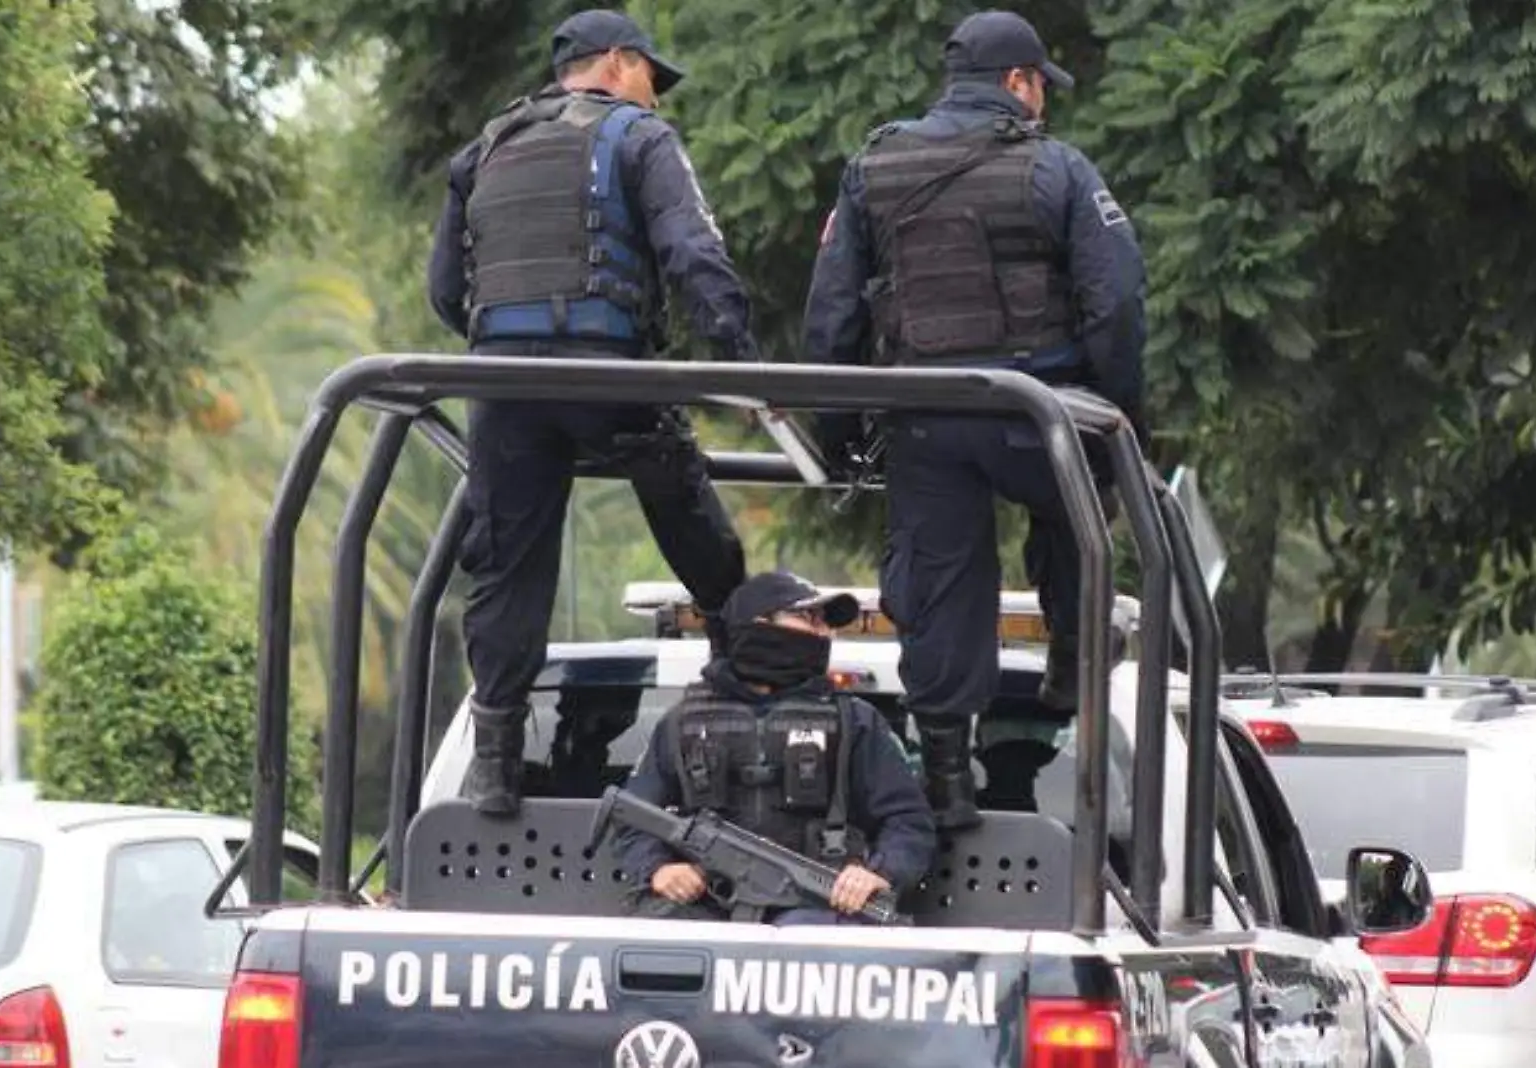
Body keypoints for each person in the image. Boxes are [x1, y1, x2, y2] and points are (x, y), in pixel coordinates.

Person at [799, 10, 1147, 829]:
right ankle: (1069, 658)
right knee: (1077, 519)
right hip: (1042, 413)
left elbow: (832, 315)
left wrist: (839, 431)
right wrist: (1117, 417)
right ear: (1019, 85)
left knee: (943, 584)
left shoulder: (873, 166)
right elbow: (1118, 302)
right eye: (1041, 89)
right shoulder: (1058, 169)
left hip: (928, 415)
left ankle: (948, 779)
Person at [427, 9, 762, 817]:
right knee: (683, 503)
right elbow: (693, 253)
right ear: (615, 63)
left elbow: (446, 294)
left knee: (507, 563)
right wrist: (746, 365)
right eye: (652, 76)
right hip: (607, 372)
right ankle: (739, 672)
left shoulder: (486, 147)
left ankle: (497, 763)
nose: (656, 97)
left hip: (504, 390)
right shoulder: (641, 139)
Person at [613, 572, 937, 925]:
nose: (823, 632)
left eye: (824, 622)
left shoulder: (854, 721)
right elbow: (633, 816)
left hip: (818, 910)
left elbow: (908, 820)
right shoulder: (682, 722)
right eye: (806, 618)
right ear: (757, 625)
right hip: (705, 908)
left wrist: (880, 873)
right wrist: (658, 868)